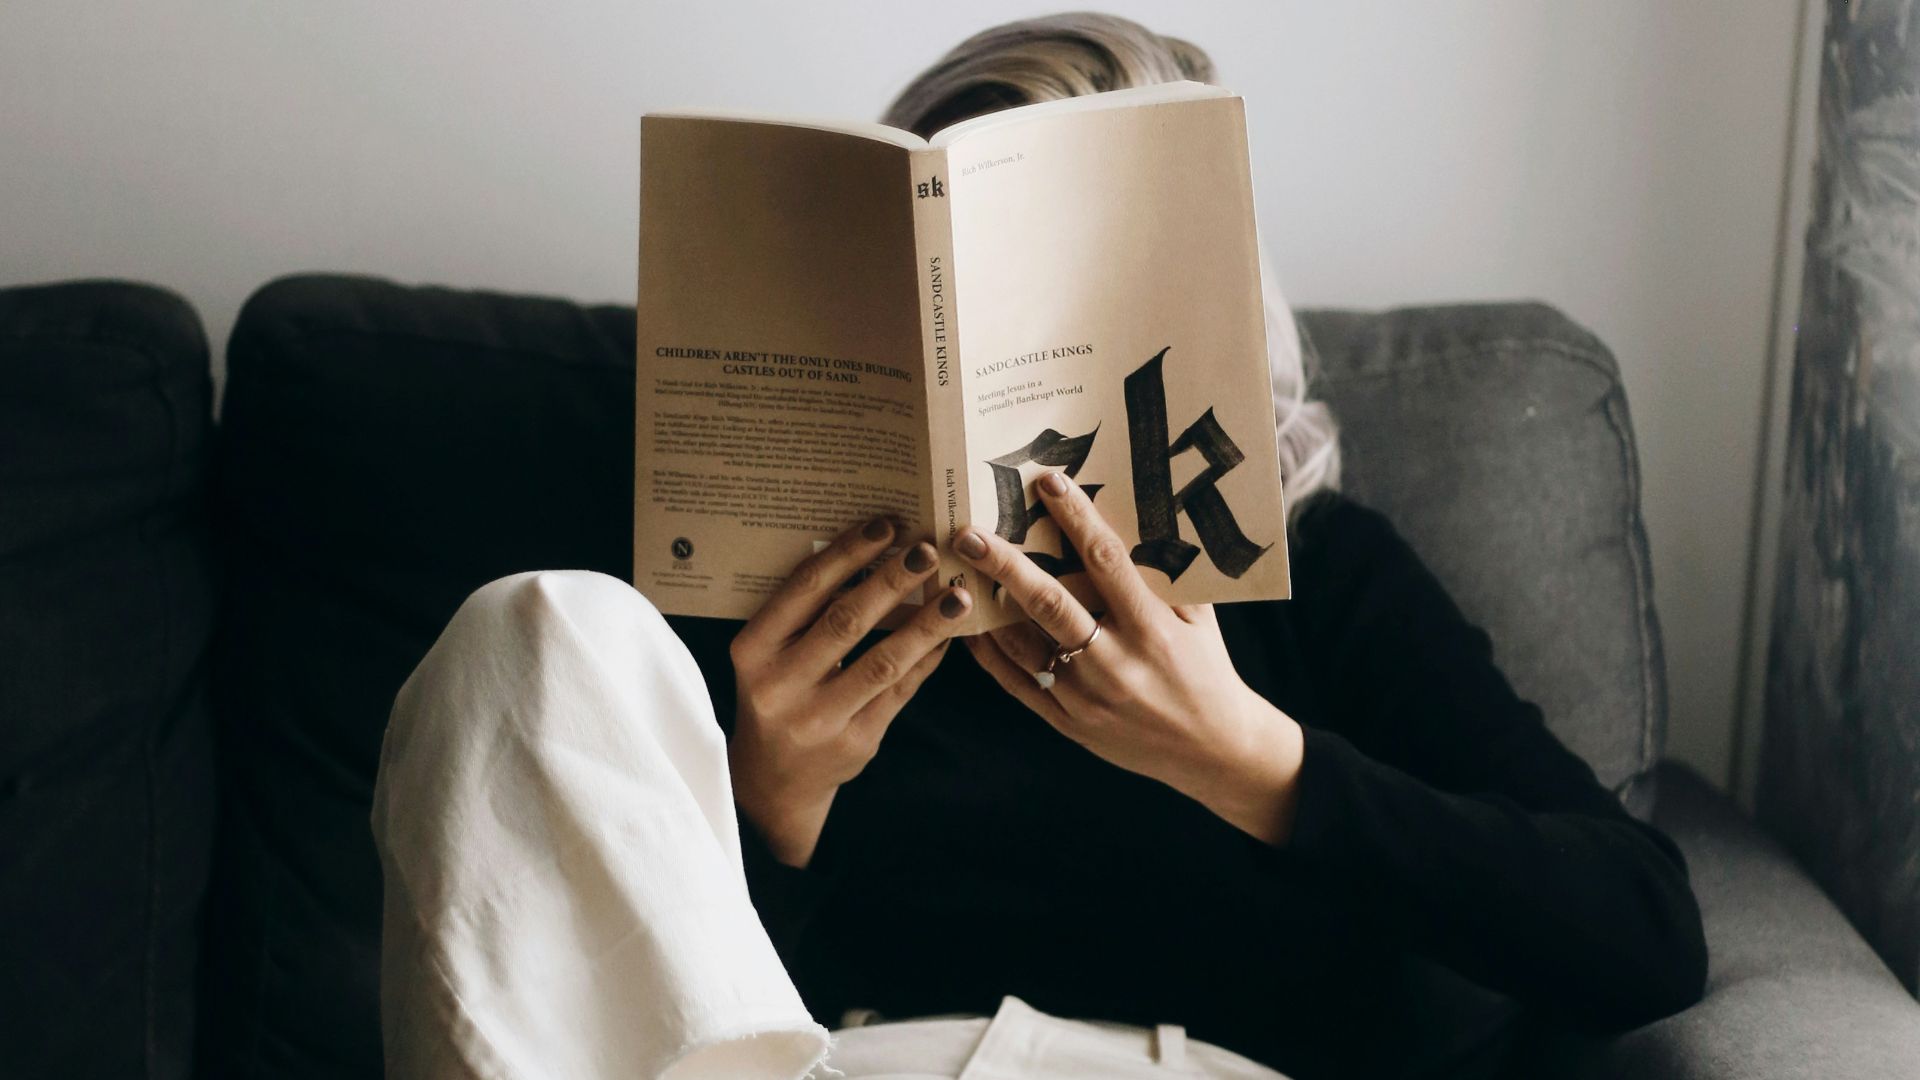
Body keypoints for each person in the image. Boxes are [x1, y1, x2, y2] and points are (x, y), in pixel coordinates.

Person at [370, 13, 1707, 1080]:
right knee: (530, 627)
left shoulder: (1322, 575)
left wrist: (1250, 761)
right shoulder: (781, 591)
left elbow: (1643, 939)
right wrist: (772, 807)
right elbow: (655, 1014)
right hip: (846, 1063)